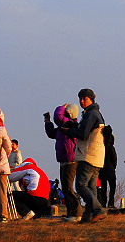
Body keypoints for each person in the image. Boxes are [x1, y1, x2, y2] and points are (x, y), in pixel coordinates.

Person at [63, 89, 107, 223]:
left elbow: (83, 134)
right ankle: (89, 216)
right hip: (97, 156)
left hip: (88, 154)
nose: (82, 101)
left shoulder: (90, 114)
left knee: (81, 186)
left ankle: (98, 210)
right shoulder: (96, 113)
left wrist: (69, 131)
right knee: (91, 187)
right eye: (80, 99)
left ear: (91, 99)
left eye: (85, 99)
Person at [44, 103, 84, 222]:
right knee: (65, 187)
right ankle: (71, 212)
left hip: (71, 160)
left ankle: (77, 213)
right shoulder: (64, 126)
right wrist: (47, 122)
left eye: (65, 111)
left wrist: (60, 107)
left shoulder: (71, 124)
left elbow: (58, 118)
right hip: (63, 160)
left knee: (68, 188)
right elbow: (52, 134)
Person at [98, 125, 118, 208]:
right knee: (112, 188)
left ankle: (103, 203)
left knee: (103, 188)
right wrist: (113, 167)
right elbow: (114, 159)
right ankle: (111, 203)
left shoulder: (101, 147)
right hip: (110, 170)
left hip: (102, 170)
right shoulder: (111, 147)